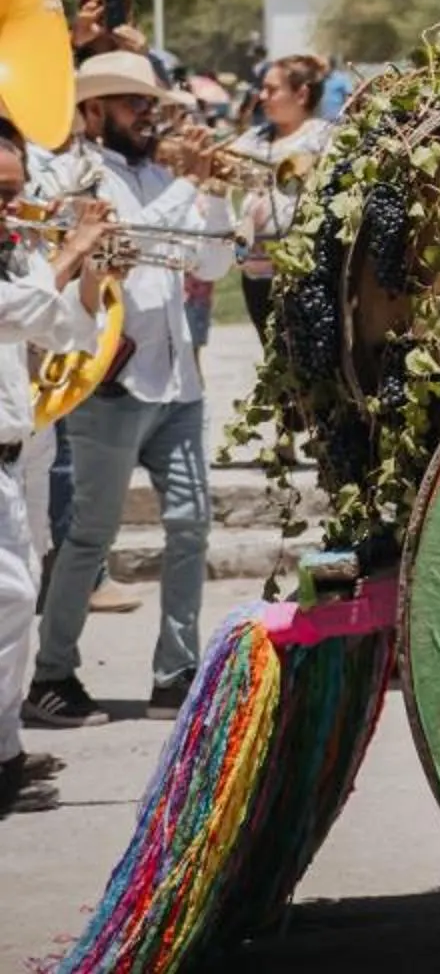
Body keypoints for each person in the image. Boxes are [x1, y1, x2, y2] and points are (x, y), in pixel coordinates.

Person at [24, 53, 233, 729]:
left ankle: (177, 672)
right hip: (110, 386)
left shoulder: (156, 171)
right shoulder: (75, 175)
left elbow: (209, 260)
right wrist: (188, 184)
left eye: (150, 104)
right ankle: (52, 674)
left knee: (191, 525)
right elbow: (131, 241)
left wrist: (218, 191)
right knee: (89, 537)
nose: (149, 114)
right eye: (131, 103)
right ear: (92, 113)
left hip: (177, 384)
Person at [0, 132, 104, 811]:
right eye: (3, 196)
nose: (13, 209)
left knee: (14, 610)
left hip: (12, 461)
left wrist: (92, 270)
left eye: (14, 192)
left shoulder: (16, 263)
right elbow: (23, 310)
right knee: (8, 602)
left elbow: (68, 333)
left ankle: (5, 756)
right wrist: (69, 249)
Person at [229, 55, 332, 345]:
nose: (263, 97)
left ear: (301, 94)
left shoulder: (325, 139)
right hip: (256, 274)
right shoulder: (253, 138)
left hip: (301, 275)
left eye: (272, 89)